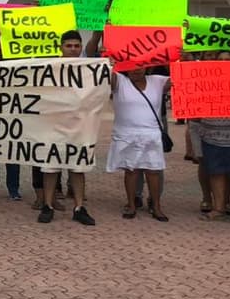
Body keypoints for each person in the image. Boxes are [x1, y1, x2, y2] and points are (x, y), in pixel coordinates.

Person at [37, 30, 95, 226]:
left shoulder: (89, 68)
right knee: (50, 168)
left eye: (76, 46)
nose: (73, 49)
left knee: (78, 168)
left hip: (80, 126)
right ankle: (48, 205)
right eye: (68, 46)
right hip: (53, 125)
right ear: (61, 47)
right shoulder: (50, 67)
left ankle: (79, 207)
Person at [108, 67, 171, 221]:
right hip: (127, 134)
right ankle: (131, 204)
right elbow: (104, 73)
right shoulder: (119, 81)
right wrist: (107, 59)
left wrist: (178, 59)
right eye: (132, 67)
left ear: (147, 66)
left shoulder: (157, 80)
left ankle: (156, 206)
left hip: (151, 133)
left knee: (153, 171)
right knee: (131, 170)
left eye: (140, 66)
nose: (136, 70)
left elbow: (180, 78)